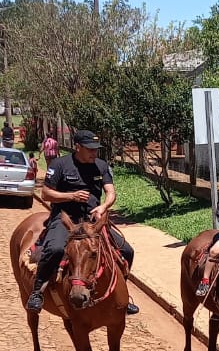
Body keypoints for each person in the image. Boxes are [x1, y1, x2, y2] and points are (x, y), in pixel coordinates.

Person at [26, 130, 138, 316]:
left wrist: (103, 206)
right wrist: (71, 196)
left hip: (92, 222)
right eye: (90, 149)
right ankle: (37, 292)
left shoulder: (101, 166)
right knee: (54, 249)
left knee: (126, 250)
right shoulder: (60, 165)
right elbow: (45, 193)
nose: (94, 153)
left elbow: (110, 192)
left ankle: (122, 293)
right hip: (66, 220)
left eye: (96, 149)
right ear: (77, 147)